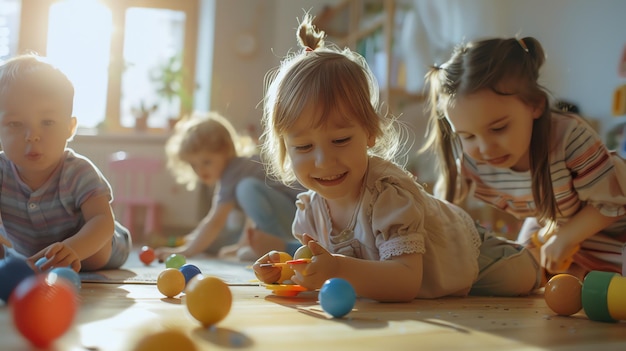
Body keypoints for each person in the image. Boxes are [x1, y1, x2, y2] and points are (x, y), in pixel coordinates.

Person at [252, 15, 541, 302]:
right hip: (435, 280)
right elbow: (320, 269)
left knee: (524, 277)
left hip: (467, 253)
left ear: (370, 133)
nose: (324, 161)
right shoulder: (309, 212)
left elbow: (405, 282)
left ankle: (539, 234)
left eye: (340, 140)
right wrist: (283, 269)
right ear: (285, 147)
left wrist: (337, 268)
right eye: (303, 147)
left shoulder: (387, 196)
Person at [422, 36, 626, 277]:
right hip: (553, 227)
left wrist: (565, 238)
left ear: (536, 105)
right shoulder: (473, 160)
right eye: (467, 136)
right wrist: (444, 201)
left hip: (612, 227)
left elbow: (612, 203)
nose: (485, 148)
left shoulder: (570, 136)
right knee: (518, 273)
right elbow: (447, 191)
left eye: (498, 128)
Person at [0, 54, 131, 272]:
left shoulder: (78, 171)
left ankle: (71, 256)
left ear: (70, 128)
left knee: (95, 254)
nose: (32, 135)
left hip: (97, 243)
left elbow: (102, 221)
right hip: (31, 252)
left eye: (47, 122)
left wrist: (73, 249)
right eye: (15, 123)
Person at [155, 111, 303, 261]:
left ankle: (274, 247)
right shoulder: (238, 170)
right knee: (244, 192)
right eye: (194, 165)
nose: (200, 171)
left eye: (207, 162)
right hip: (293, 214)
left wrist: (186, 251)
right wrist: (239, 246)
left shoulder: (234, 170)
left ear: (226, 151)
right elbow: (251, 219)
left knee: (246, 188)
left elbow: (215, 221)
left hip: (301, 212)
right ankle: (266, 245)